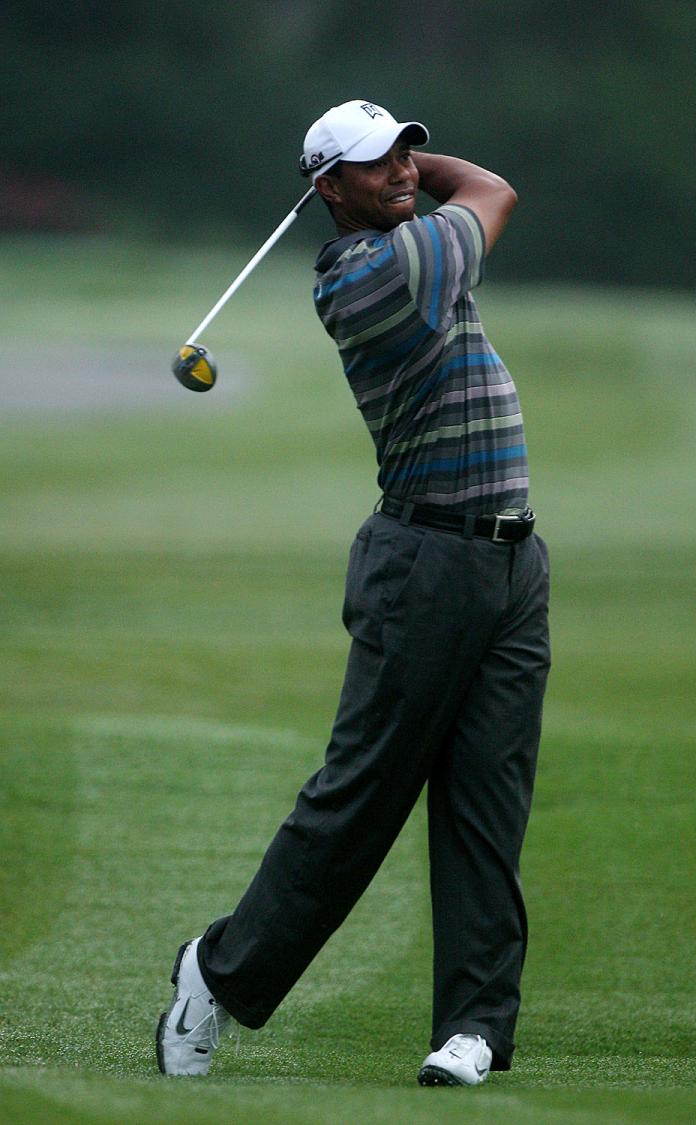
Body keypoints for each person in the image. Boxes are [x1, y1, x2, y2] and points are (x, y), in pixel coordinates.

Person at [156, 99, 550, 1088]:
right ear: (327, 189)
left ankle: (474, 1026)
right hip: (425, 563)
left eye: (409, 152)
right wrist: (404, 172)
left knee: (489, 799)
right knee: (363, 798)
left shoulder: (406, 228)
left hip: (510, 558)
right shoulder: (372, 273)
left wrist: (394, 158)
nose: (407, 173)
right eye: (377, 165)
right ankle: (218, 970)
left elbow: (438, 187)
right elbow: (492, 190)